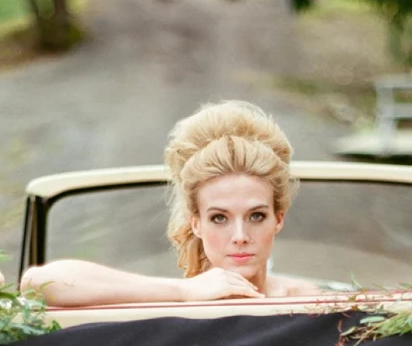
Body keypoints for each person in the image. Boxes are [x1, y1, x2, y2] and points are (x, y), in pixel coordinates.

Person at [19, 100, 321, 306]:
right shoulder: (173, 299)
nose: (240, 236)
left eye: (256, 216)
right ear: (196, 223)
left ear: (278, 218)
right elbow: (37, 282)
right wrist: (183, 291)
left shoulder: (304, 297)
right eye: (219, 218)